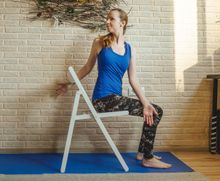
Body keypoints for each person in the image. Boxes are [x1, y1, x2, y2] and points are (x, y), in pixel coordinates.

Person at [56, 8, 171, 168]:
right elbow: (87, 67)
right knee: (153, 110)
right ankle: (148, 157)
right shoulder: (100, 42)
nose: (107, 21)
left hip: (115, 99)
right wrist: (68, 83)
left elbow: (133, 79)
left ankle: (142, 153)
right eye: (107, 18)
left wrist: (146, 103)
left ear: (122, 23)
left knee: (154, 110)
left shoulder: (130, 50)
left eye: (111, 19)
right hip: (102, 100)